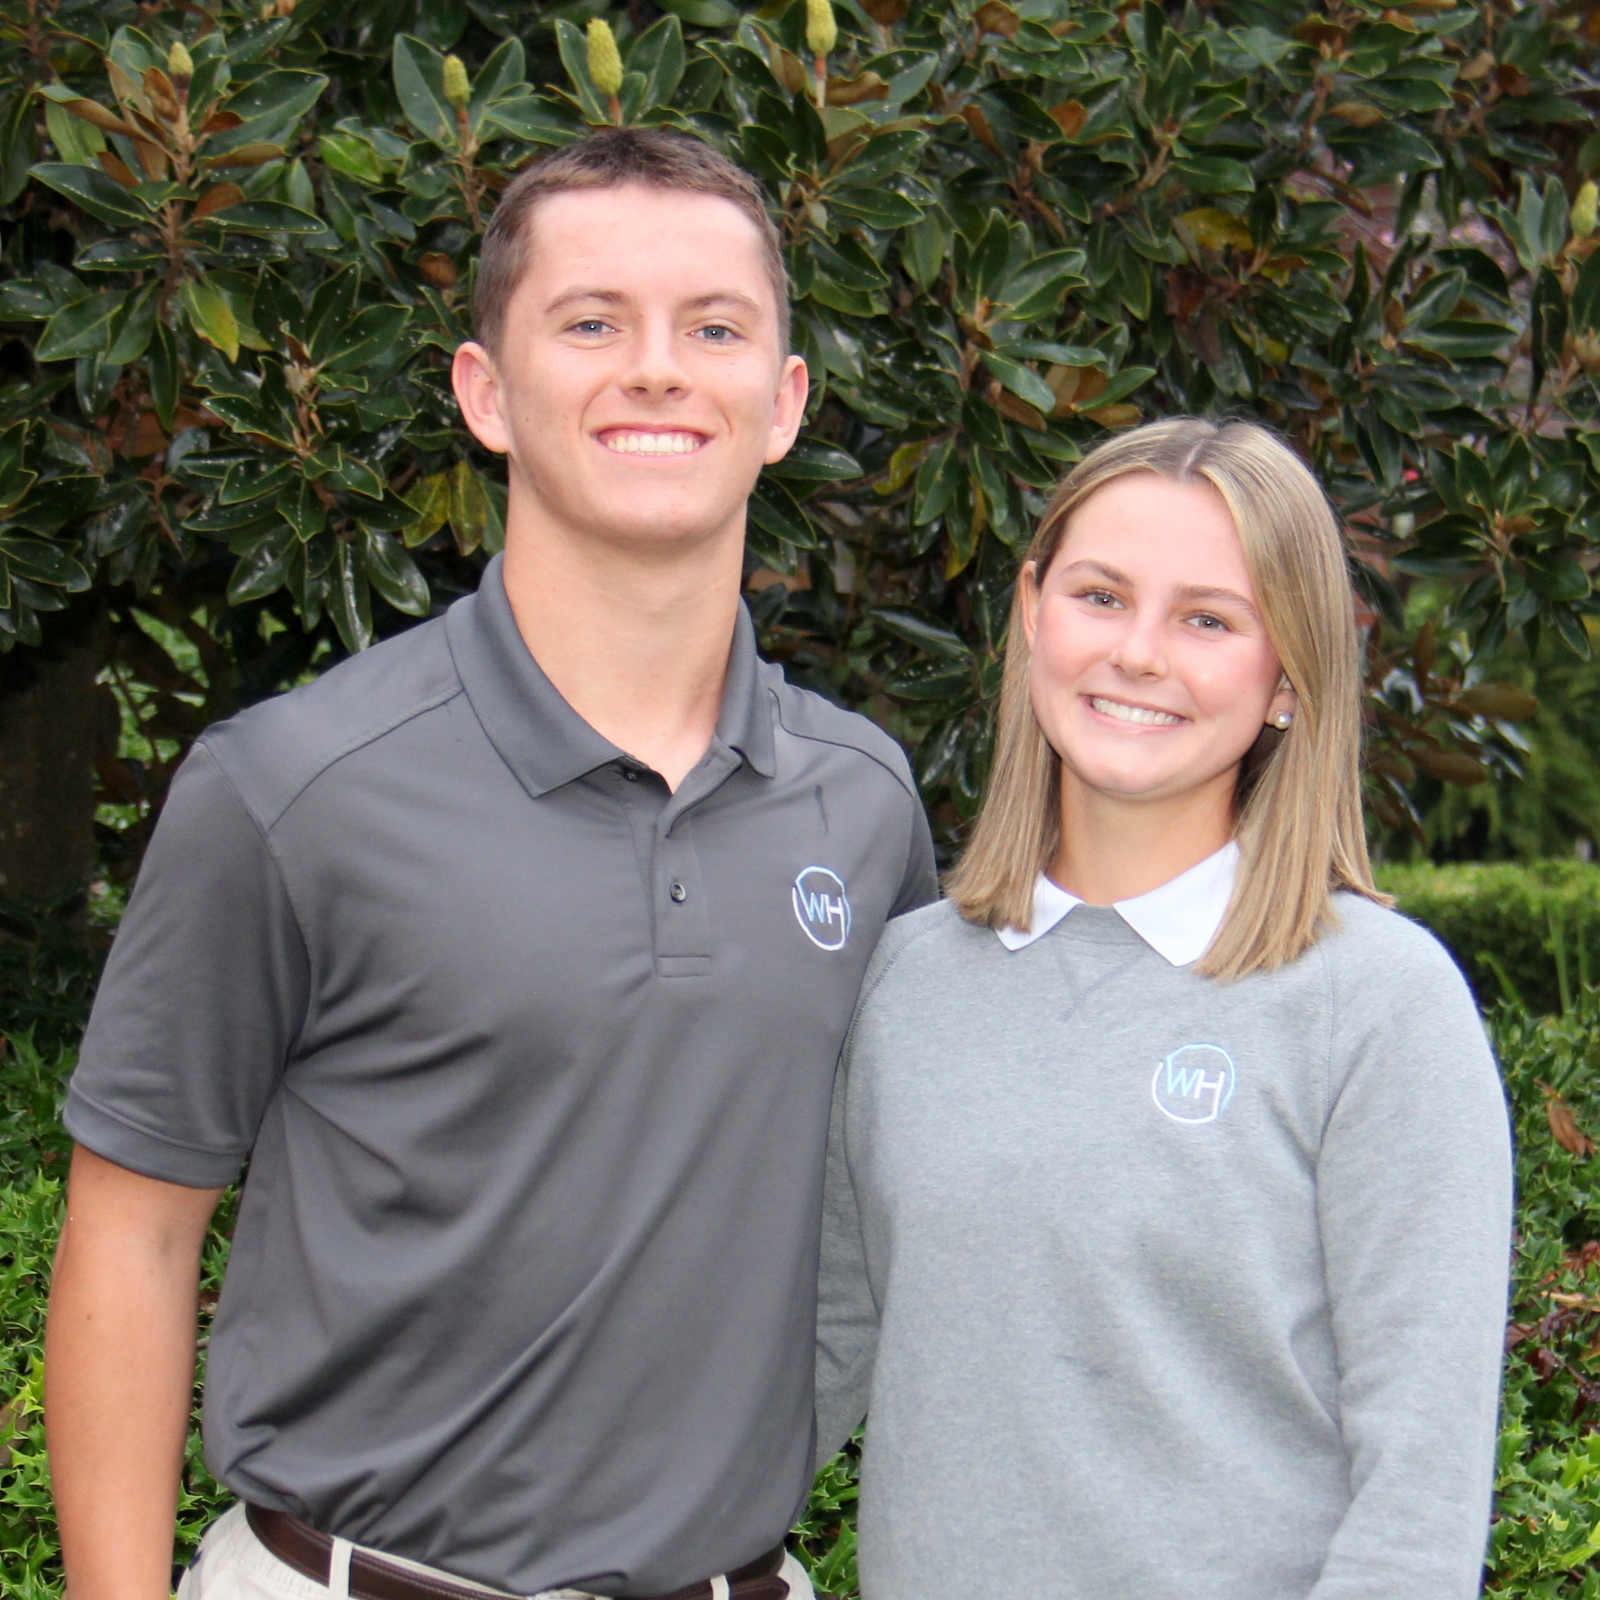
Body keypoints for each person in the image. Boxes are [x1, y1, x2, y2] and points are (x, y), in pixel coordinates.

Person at [46, 128, 935, 1600]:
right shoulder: (293, 789)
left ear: (783, 404)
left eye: (714, 328)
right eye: (590, 323)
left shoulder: (863, 802)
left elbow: (907, 1212)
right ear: (485, 392)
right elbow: (131, 1239)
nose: (657, 370)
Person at [815, 417, 1513, 1600]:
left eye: (1207, 619)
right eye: (1100, 595)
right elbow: (812, 1356)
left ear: (1286, 676)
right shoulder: (905, 982)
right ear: (1032, 612)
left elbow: (1416, 1512)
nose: (1138, 653)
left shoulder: (1378, 1006)